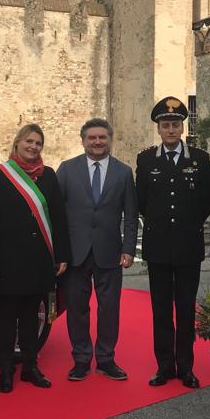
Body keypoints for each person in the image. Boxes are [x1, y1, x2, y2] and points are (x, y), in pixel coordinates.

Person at [0, 124, 70, 392]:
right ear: (17, 143)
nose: (33, 147)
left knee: (33, 316)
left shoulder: (48, 176)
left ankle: (31, 367)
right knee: (7, 317)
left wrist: (62, 254)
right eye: (29, 142)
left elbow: (58, 218)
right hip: (9, 260)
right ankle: (7, 369)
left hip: (39, 258)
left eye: (38, 143)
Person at [135, 97, 210, 388]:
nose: (171, 130)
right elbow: (142, 200)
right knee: (161, 310)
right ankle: (164, 366)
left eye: (175, 124)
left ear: (183, 127)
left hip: (187, 245)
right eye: (166, 125)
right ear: (158, 129)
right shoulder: (146, 159)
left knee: (184, 308)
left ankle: (187, 367)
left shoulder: (199, 159)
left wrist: (187, 224)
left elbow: (206, 200)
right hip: (158, 247)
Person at [57, 118, 139, 381]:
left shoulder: (123, 172)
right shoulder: (67, 170)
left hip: (110, 251)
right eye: (92, 137)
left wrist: (128, 248)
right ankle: (81, 358)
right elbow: (57, 214)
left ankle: (106, 358)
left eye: (102, 137)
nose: (97, 142)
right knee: (77, 308)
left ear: (109, 140)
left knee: (109, 308)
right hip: (75, 252)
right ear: (83, 141)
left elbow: (130, 214)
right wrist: (59, 251)